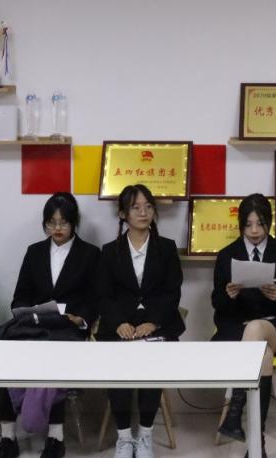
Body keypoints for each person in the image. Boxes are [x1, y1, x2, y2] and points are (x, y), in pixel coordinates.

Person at [0, 192, 99, 458]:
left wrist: (80, 318)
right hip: (35, 324)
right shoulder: (35, 252)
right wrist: (26, 311)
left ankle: (55, 437)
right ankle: (8, 437)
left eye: (63, 222)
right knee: (7, 351)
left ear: (74, 223)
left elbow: (96, 298)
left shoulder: (89, 253)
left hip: (68, 327)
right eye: (51, 222)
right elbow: (20, 296)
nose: (57, 228)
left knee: (53, 357)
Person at [96, 184, 185, 458]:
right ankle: (124, 437)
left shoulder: (166, 248)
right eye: (135, 208)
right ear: (123, 214)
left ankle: (145, 434)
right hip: (120, 324)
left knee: (152, 362)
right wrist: (118, 323)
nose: (143, 213)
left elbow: (173, 291)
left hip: (157, 323)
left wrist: (154, 322)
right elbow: (103, 295)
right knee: (117, 364)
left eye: (148, 207)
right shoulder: (109, 251)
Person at [214, 193, 276, 457]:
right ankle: (256, 442)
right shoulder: (227, 255)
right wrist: (228, 295)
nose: (254, 231)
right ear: (241, 224)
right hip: (236, 327)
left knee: (256, 329)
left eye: (260, 224)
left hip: (273, 327)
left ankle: (235, 414)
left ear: (269, 223)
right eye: (248, 224)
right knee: (262, 354)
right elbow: (216, 303)